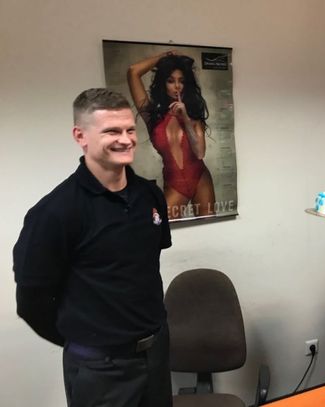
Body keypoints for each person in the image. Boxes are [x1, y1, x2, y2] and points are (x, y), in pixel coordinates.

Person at [13, 88, 173, 407]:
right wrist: (87, 343)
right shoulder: (55, 212)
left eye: (130, 130)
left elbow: (142, 270)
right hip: (101, 369)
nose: (125, 140)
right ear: (80, 136)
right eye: (112, 131)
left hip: (155, 354)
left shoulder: (150, 196)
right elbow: (31, 303)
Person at [127, 51, 215, 220]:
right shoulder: (152, 116)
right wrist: (164, 56)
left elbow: (199, 153)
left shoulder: (193, 116)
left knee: (212, 228)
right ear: (163, 83)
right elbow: (133, 71)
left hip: (201, 178)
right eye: (170, 81)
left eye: (181, 81)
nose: (177, 86)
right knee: (158, 227)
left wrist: (186, 119)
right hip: (175, 184)